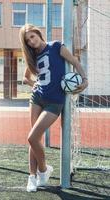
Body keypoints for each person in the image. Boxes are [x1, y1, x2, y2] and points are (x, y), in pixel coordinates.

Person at [19, 24, 88, 192]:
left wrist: (84, 79)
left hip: (55, 101)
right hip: (37, 98)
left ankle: (43, 170)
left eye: (32, 37)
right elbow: (25, 78)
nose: (31, 42)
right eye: (28, 41)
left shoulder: (56, 46)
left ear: (38, 33)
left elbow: (74, 61)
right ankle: (32, 176)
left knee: (32, 137)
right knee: (34, 138)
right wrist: (34, 84)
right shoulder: (33, 55)